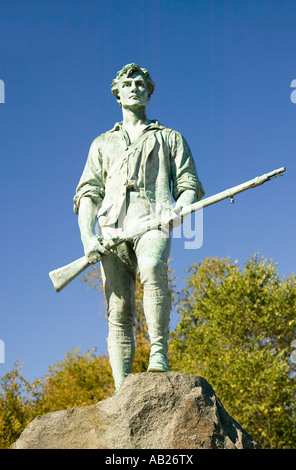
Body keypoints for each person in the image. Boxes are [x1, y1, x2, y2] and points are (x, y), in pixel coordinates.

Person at [73, 63, 204, 393]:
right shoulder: (101, 144)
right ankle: (121, 388)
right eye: (127, 83)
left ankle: (158, 353)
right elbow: (88, 193)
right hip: (112, 228)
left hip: (153, 220)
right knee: (118, 308)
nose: (134, 87)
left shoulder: (170, 138)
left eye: (141, 83)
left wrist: (179, 208)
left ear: (149, 91)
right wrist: (88, 237)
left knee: (153, 267)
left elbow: (188, 183)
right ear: (117, 93)